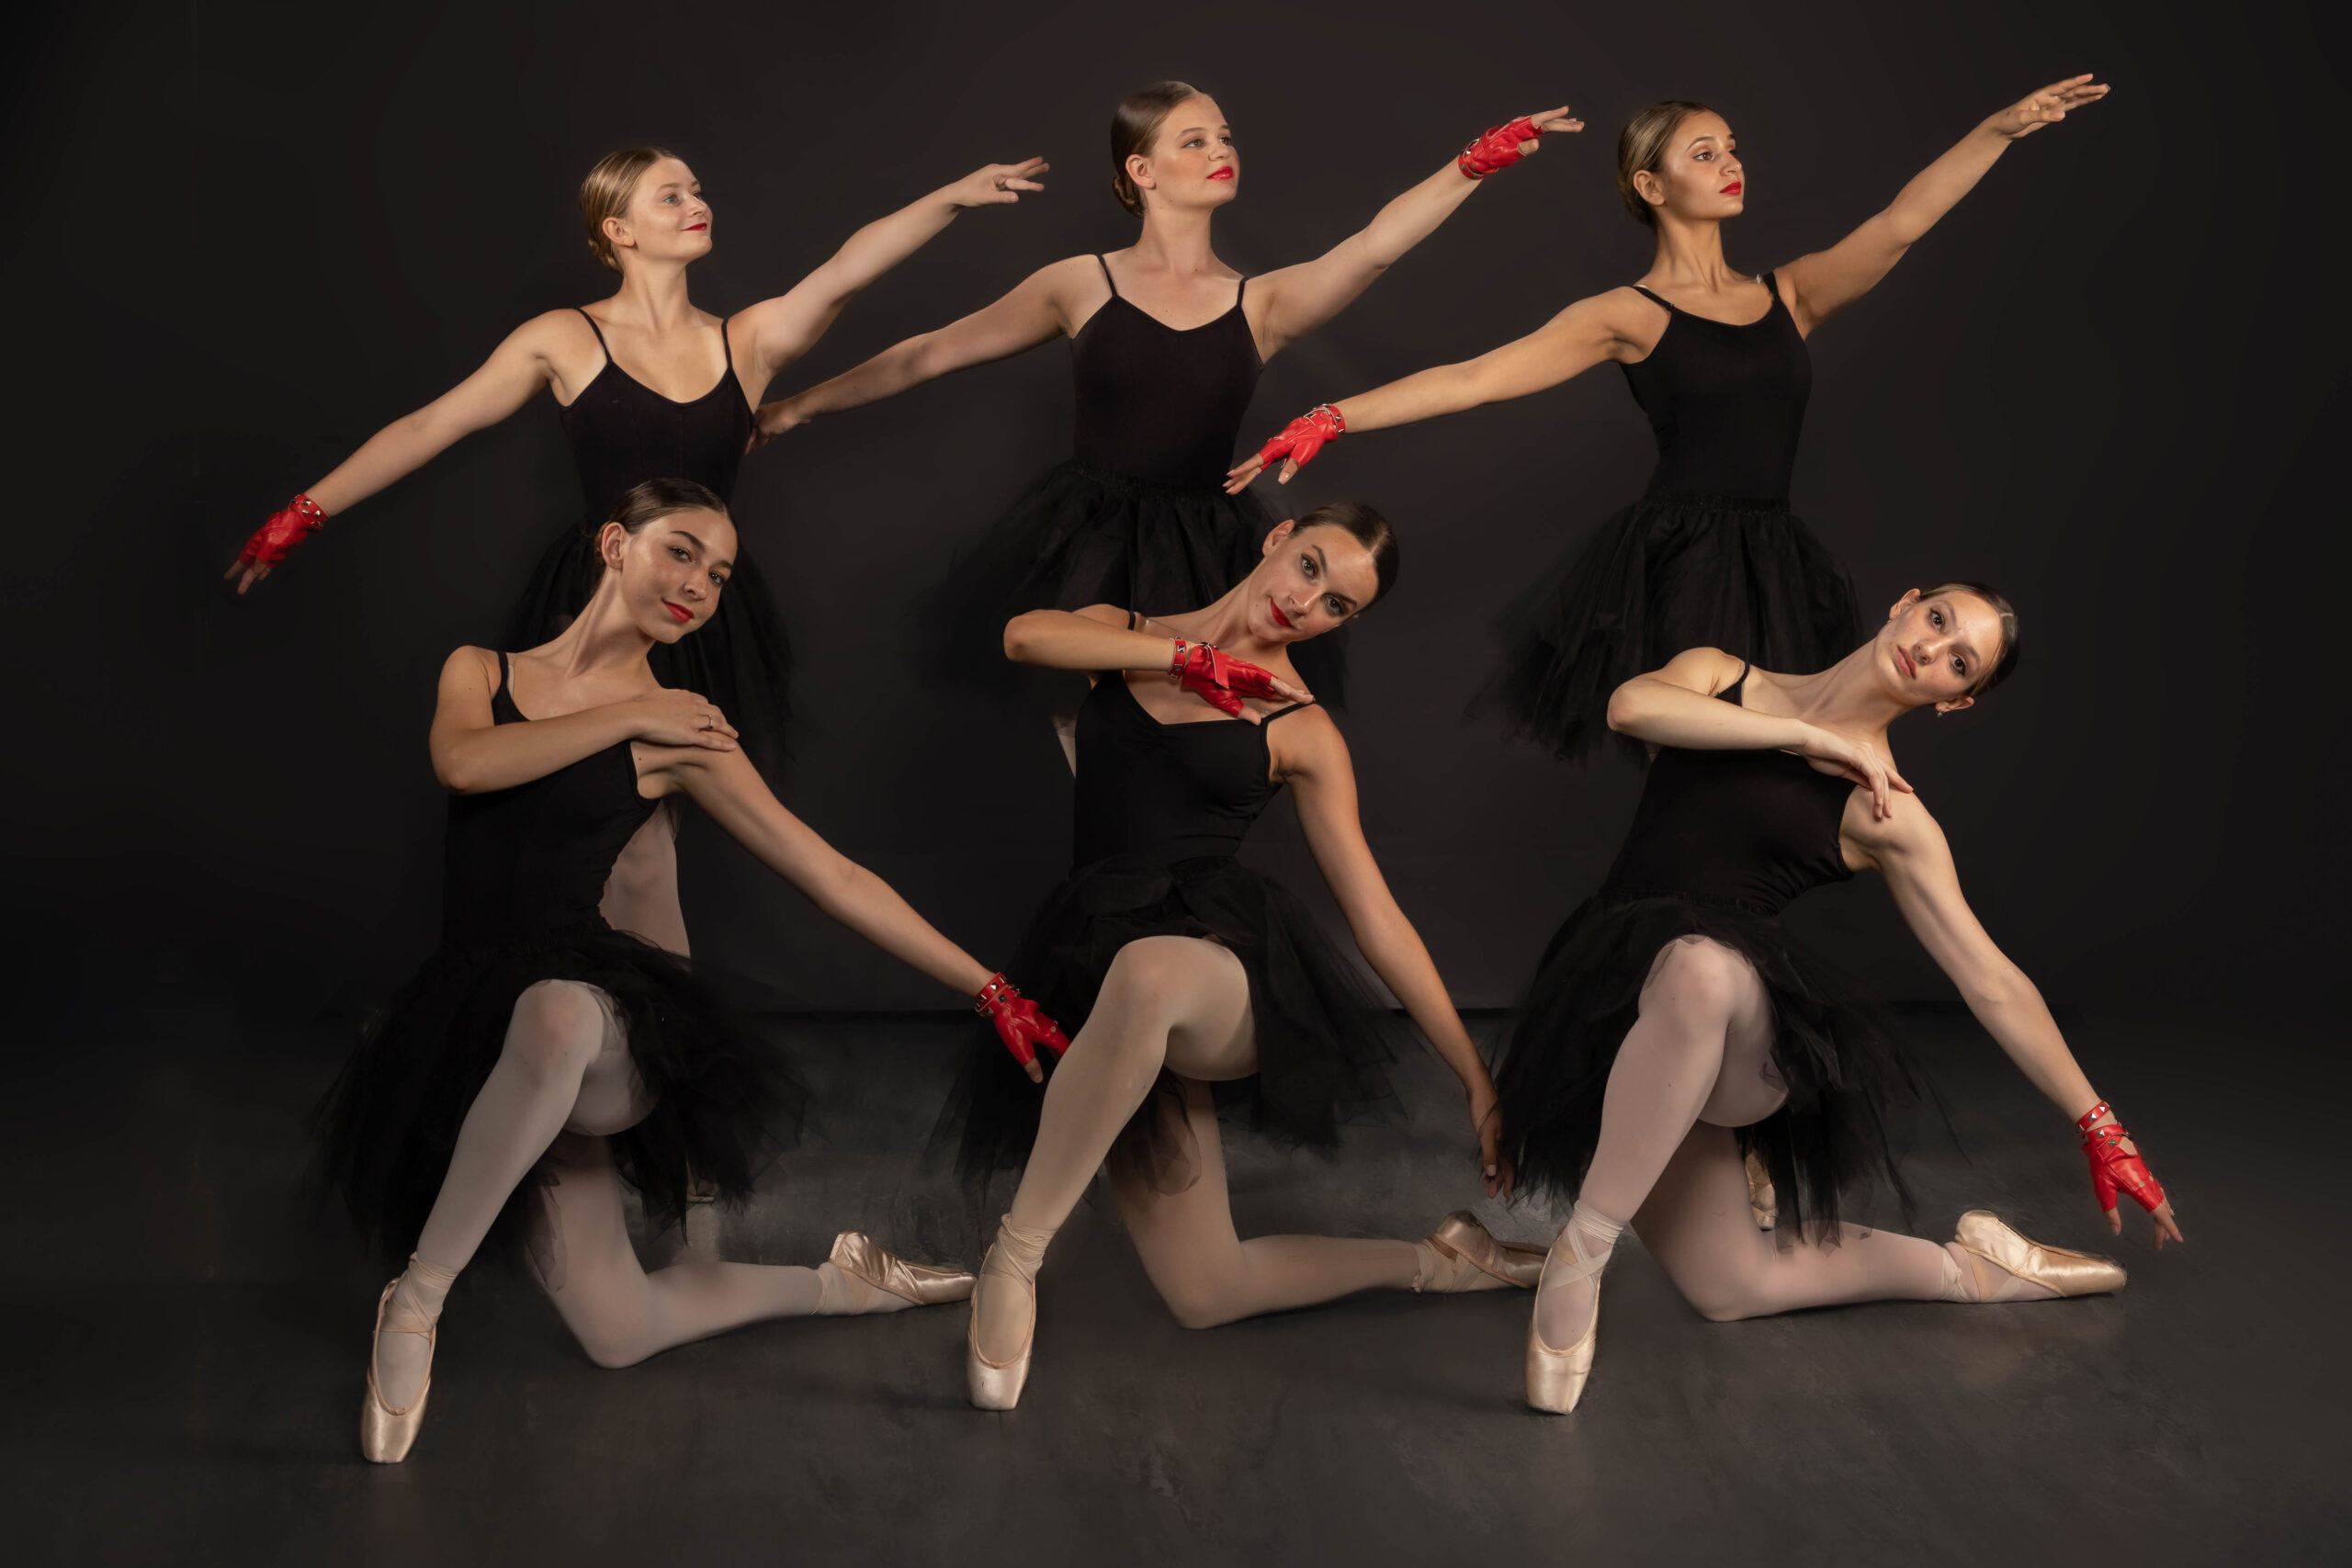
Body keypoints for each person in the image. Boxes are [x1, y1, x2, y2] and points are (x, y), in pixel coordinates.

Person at [312, 479, 1071, 1461]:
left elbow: (832, 876)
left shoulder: (685, 735)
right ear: (613, 544)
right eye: (681, 551)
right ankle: (845, 1281)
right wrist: (634, 713)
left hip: (601, 1030)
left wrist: (989, 987)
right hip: (475, 1029)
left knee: (556, 1016)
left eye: (718, 575)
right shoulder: (485, 674)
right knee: (619, 1330)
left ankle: (417, 1299)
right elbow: (464, 763)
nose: (699, 585)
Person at [227, 145, 1046, 949]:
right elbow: (430, 425)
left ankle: (631, 1014)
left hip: (697, 610)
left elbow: (844, 271)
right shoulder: (566, 338)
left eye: (697, 189)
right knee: (607, 841)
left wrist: (951, 197)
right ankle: (588, 1006)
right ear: (618, 230)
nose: (698, 204)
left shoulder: (747, 340)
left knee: (650, 846)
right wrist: (304, 512)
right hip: (599, 599)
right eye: (671, 196)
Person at [1234, 77, 2110, 761]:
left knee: (1785, 752)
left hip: (1778, 559)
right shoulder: (1629, 314)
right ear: (1651, 184)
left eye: (1731, 147)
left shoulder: (1791, 294)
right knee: (1701, 746)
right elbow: (1476, 378)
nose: (1731, 162)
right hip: (1683, 560)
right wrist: (1332, 415)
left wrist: (1999, 130)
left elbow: (1900, 223)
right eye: (1703, 152)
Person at [1491, 583, 2182, 1415]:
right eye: (1936, 621)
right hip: (1621, 1003)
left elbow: (1989, 979)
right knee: (1728, 1285)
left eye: (1958, 662)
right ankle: (1970, 1268)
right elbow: (1630, 707)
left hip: (1736, 1033)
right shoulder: (1720, 675)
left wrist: (2099, 1125)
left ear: (1955, 700)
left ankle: (1581, 1254)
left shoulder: (1889, 811)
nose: (1930, 650)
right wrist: (1805, 734)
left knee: (1701, 970)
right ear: (1905, 604)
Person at [944, 502, 1544, 1411]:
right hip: (1100, 970)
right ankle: (1442, 1260)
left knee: (1150, 973)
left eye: (1336, 606)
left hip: (1219, 972)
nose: (1305, 602)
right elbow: (1024, 637)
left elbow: (1377, 917)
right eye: (1309, 566)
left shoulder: (1299, 726)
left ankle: (1013, 1258)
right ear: (1277, 538)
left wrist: (1476, 1077)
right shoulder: (1123, 634)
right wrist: (1186, 658)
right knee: (1206, 1289)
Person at [754, 82, 1578, 718]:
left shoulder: (1262, 302)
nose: (1221, 149)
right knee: (1092, 722)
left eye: (1225, 137)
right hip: (1088, 537)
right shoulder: (1080, 283)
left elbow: (1372, 247)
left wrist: (1472, 164)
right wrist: (798, 407)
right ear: (1141, 171)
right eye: (1195, 140)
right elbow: (931, 352)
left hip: (1206, 549)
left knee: (1184, 730)